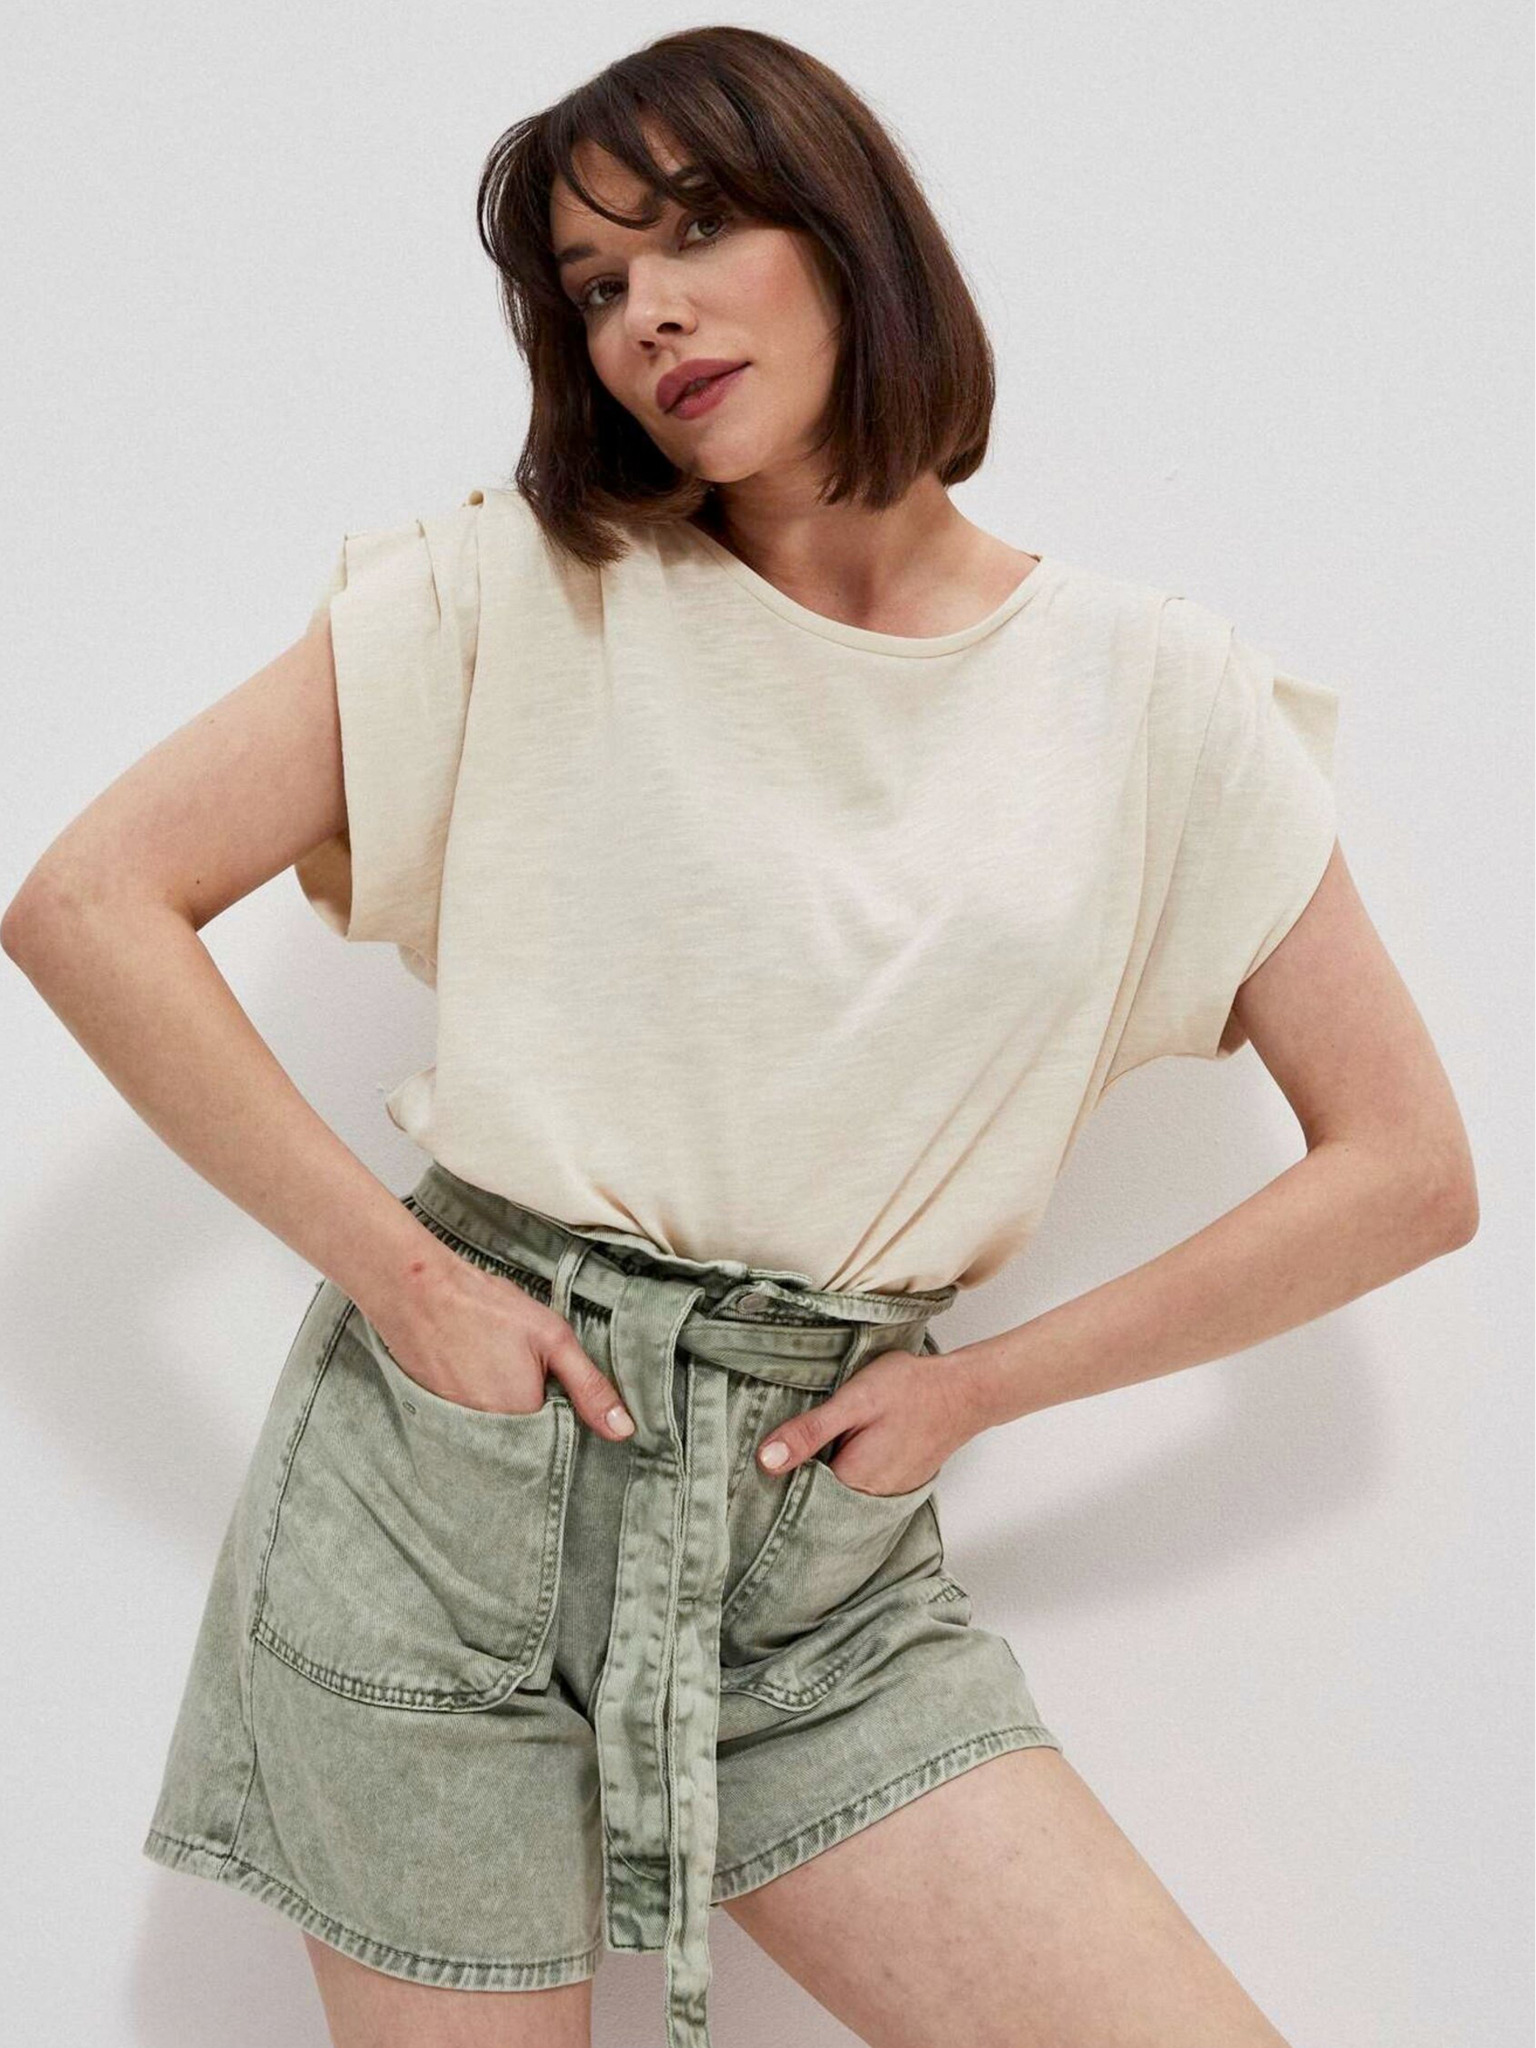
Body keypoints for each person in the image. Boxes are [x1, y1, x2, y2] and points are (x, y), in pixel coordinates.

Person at [2, 25, 1478, 2048]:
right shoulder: (520, 590)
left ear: (852, 231)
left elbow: (1407, 1169)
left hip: (815, 1559)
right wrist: (407, 1281)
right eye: (596, 284)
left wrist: (983, 1390)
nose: (648, 314)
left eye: (696, 232)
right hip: (439, 1503)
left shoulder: (1151, 697)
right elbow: (85, 903)